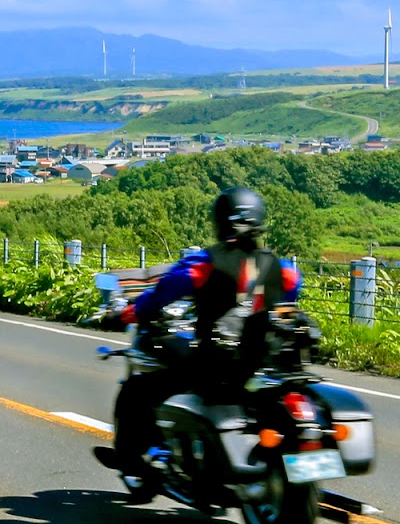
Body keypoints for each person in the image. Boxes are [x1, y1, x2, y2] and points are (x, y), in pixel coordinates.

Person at [103, 185, 302, 496]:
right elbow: (283, 303)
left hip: (219, 364)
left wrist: (127, 314)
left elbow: (162, 292)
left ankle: (133, 461)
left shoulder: (207, 263)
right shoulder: (284, 268)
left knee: (137, 389)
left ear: (221, 221)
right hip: (264, 362)